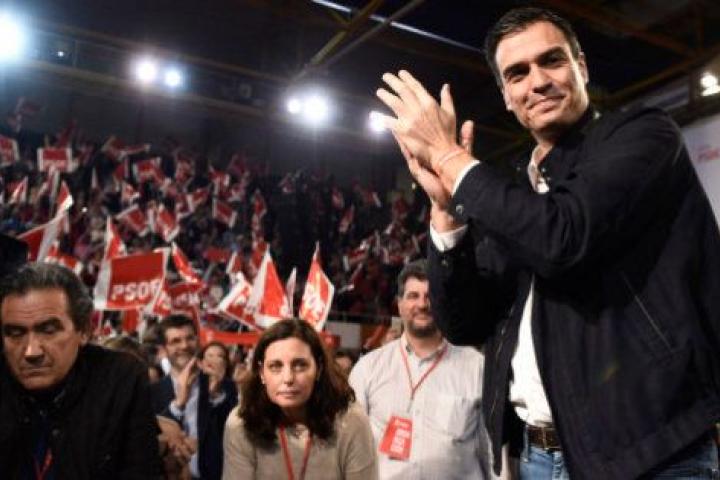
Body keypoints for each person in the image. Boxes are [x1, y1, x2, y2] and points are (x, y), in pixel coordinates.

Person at [376, 6, 720, 480]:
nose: (537, 82)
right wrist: (445, 211)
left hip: (652, 454)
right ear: (506, 97)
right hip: (537, 458)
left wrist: (447, 155)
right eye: (517, 73)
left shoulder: (644, 134)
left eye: (551, 61)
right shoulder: (516, 191)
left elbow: (561, 238)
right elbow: (462, 323)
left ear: (581, 67)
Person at [0, 263, 162, 478]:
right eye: (15, 334)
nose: (31, 351)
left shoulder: (120, 379)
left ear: (84, 330)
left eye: (48, 331)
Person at [349, 259, 491, 479]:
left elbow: (491, 454)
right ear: (399, 304)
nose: (422, 304)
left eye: (430, 296)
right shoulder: (368, 369)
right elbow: (351, 446)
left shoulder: (477, 368)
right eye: (413, 296)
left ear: (442, 302)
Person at [223, 318, 377, 479]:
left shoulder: (351, 420)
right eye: (275, 366)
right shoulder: (242, 422)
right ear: (262, 373)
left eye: (300, 365)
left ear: (318, 369)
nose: (288, 378)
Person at [151, 314, 237, 480]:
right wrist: (178, 405)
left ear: (198, 341)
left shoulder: (225, 387)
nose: (184, 346)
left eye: (189, 338)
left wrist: (215, 395)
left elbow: (233, 435)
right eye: (175, 341)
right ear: (164, 349)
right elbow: (151, 439)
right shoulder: (152, 393)